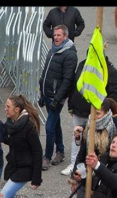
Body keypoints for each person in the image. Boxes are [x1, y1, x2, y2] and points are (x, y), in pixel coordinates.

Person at [62, 55, 117, 176]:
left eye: (98, 114)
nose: (95, 117)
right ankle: (72, 165)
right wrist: (76, 172)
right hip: (79, 110)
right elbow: (83, 149)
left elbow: (108, 154)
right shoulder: (83, 65)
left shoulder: (112, 128)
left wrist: (96, 169)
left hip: (101, 172)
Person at [39, 24, 77, 170]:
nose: (56, 38)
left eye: (59, 35)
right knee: (55, 123)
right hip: (48, 94)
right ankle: (60, 150)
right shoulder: (53, 50)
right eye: (55, 35)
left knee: (49, 127)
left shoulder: (70, 54)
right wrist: (42, 94)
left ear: (65, 36)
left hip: (57, 97)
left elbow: (67, 80)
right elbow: (45, 72)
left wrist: (57, 99)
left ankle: (47, 156)